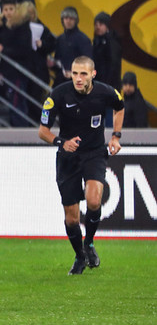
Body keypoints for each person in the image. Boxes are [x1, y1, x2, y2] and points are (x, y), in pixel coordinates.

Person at [38, 56, 124, 275]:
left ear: (92, 74)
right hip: (68, 157)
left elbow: (120, 107)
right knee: (71, 217)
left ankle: (90, 243)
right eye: (75, 73)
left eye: (83, 74)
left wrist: (115, 136)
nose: (78, 78)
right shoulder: (58, 94)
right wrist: (61, 142)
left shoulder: (105, 92)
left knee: (94, 199)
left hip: (94, 153)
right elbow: (42, 131)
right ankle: (79, 256)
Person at [0, 0, 34, 126]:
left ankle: (20, 132)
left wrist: (4, 49)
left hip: (18, 71)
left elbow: (23, 50)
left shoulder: (21, 27)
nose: (8, 12)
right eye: (6, 10)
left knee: (17, 103)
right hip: (8, 70)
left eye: (11, 9)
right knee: (14, 102)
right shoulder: (3, 27)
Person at [51, 7, 92, 83]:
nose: (68, 21)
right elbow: (58, 59)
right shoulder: (60, 39)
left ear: (76, 20)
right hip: (61, 79)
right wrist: (52, 65)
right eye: (66, 18)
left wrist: (75, 73)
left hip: (78, 81)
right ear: (62, 20)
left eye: (71, 18)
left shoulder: (83, 39)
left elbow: (88, 61)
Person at [92, 12, 122, 88]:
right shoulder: (96, 41)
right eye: (96, 24)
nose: (97, 27)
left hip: (110, 85)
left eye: (101, 24)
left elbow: (113, 65)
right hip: (98, 82)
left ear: (107, 26)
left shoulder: (112, 41)